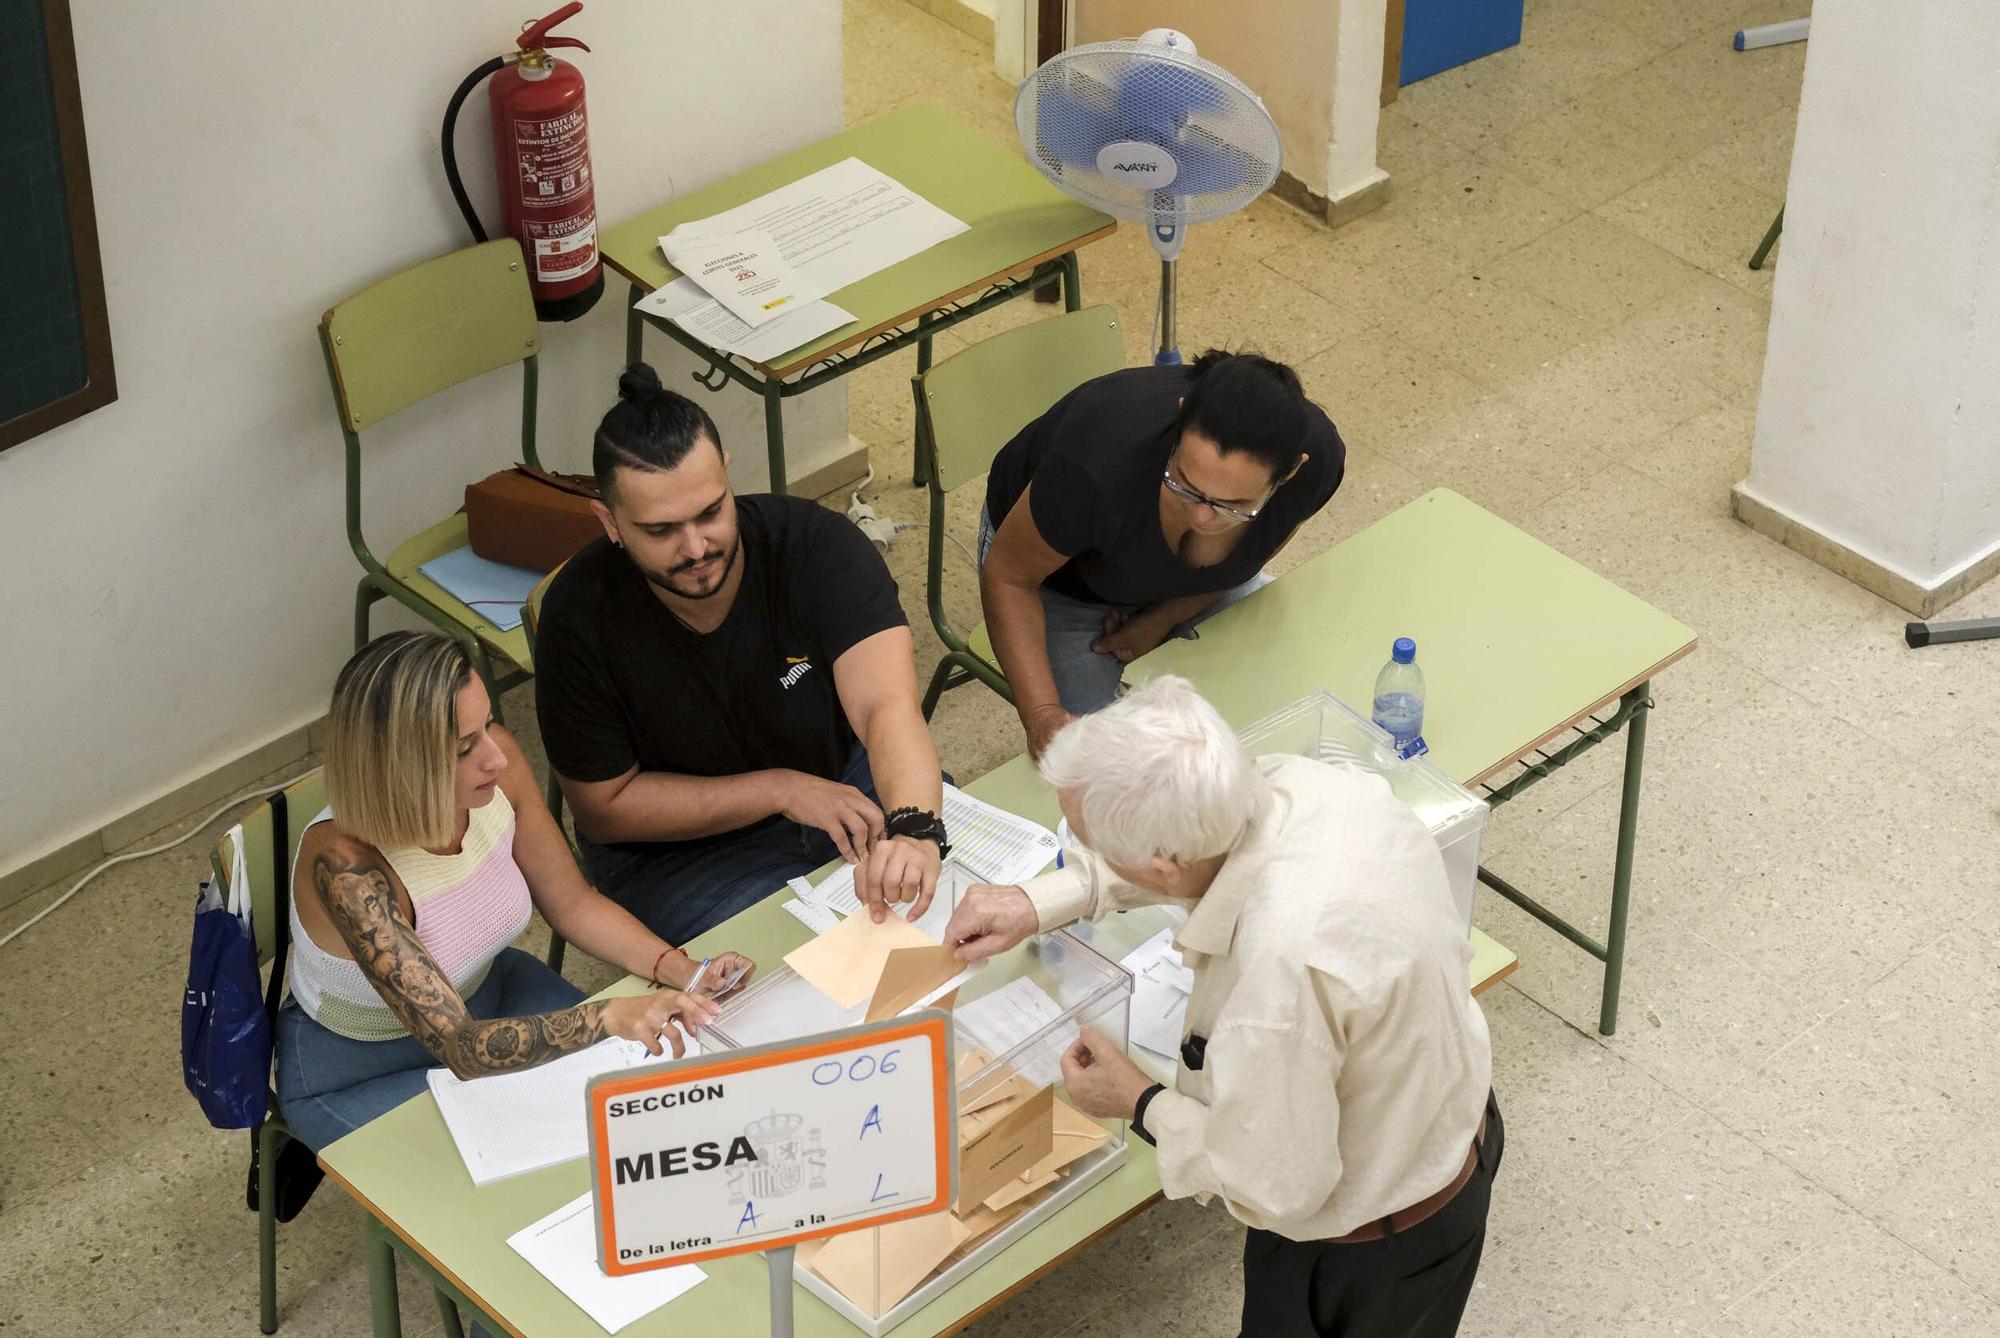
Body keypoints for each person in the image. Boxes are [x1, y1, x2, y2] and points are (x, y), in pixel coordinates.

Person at [943, 676, 1498, 1338]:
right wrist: (1041, 900)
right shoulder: (1307, 785)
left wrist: (1139, 1100)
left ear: (1161, 861)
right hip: (1446, 1127)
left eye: (1091, 840)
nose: (1089, 849)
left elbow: (1278, 1187)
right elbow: (1205, 854)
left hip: (1372, 1239)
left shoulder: (1276, 978)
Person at [276, 632, 752, 1154]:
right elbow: (460, 1046)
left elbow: (573, 903)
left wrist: (685, 971)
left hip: (493, 995)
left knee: (643, 1112)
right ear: (396, 768)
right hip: (361, 1068)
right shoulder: (347, 867)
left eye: (485, 727)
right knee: (549, 1163)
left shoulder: (495, 762)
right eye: (464, 747)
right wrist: (607, 1015)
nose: (496, 757)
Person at [535, 364, 949, 945]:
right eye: (661, 530)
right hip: (679, 854)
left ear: (728, 476)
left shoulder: (816, 546)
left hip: (838, 777)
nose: (696, 548)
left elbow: (887, 706)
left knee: (951, 909)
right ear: (610, 522)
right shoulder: (578, 614)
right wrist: (781, 789)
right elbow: (607, 807)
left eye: (710, 512)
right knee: (797, 980)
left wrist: (915, 827)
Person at [979, 350, 1345, 755]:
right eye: (1185, 482)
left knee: (1279, 700)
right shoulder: (1095, 462)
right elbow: (1010, 577)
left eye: (1233, 504)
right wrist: (1043, 713)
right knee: (1094, 761)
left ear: (1289, 474)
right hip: (1058, 582)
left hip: (1185, 584)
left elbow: (1249, 559)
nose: (1204, 518)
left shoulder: (1318, 462)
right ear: (1179, 419)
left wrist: (1164, 617)